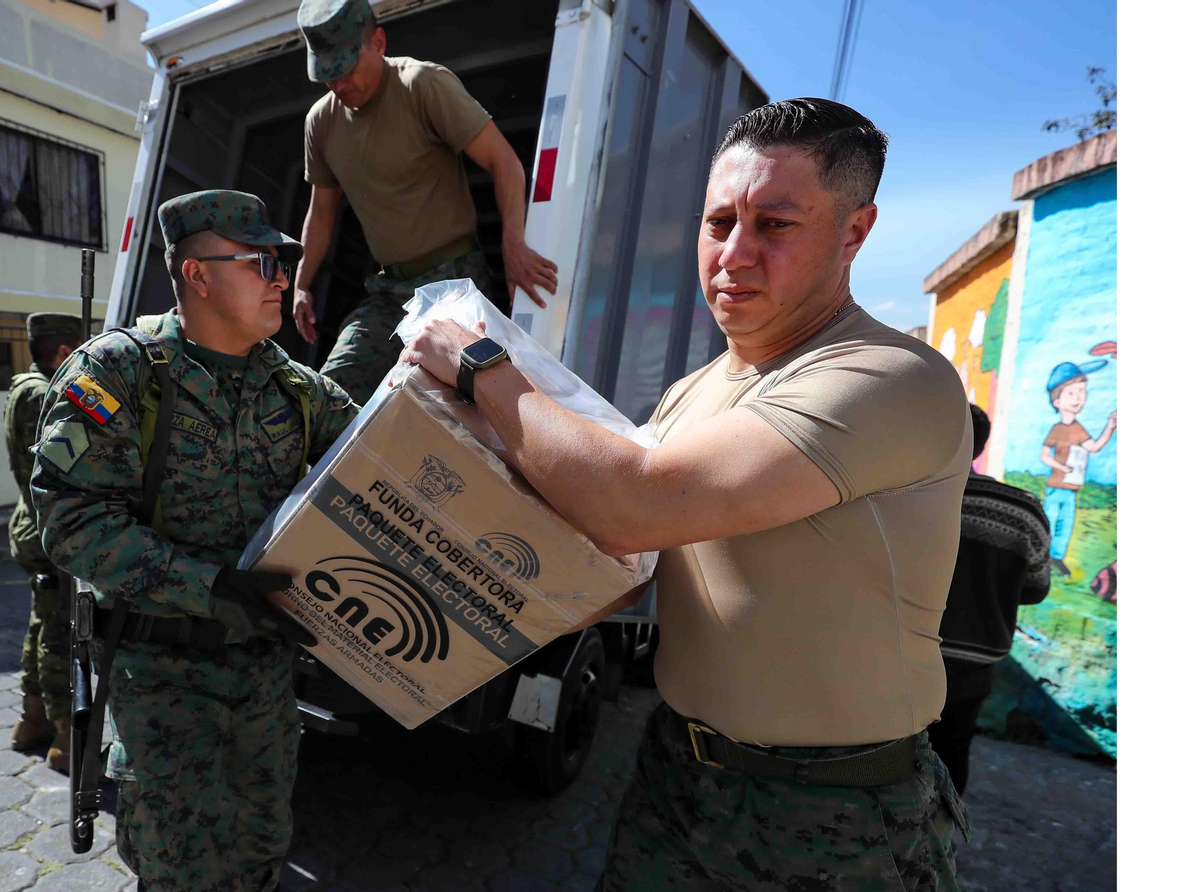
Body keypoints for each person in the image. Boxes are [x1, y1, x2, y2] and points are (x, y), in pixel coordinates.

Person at [402, 99, 972, 889]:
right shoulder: (690, 395)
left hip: (839, 818)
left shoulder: (891, 378)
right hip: (679, 778)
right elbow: (615, 555)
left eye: (775, 225)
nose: (733, 254)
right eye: (718, 222)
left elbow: (637, 502)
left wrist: (482, 368)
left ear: (854, 232)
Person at [31, 190, 358, 891]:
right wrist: (207, 587)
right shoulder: (119, 372)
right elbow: (71, 522)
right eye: (261, 261)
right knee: (182, 871)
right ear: (197, 274)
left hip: (268, 683)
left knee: (263, 852)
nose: (281, 278)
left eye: (282, 262)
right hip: (162, 687)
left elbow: (386, 459)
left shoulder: (296, 388)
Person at [291, 0, 558, 404]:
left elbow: (504, 162)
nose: (338, 83)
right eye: (327, 74)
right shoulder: (321, 122)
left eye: (345, 68)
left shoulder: (422, 84)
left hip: (453, 281)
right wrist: (301, 283)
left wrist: (513, 245)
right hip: (388, 292)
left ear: (378, 42)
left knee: (452, 406)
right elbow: (321, 213)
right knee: (327, 397)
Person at [928, 404, 1051, 795]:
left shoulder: (907, 501)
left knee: (889, 754)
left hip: (908, 653)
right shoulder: (1023, 509)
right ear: (980, 446)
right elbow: (1035, 589)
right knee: (954, 750)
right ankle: (941, 843)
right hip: (978, 660)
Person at [5, 312, 86, 773]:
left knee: (42, 620)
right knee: (61, 631)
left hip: (28, 524)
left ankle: (30, 720)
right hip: (49, 528)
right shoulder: (45, 395)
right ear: (62, 352)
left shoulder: (22, 386)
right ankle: (65, 738)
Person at [1038, 361, 1116, 576]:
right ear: (1057, 401)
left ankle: (1057, 558)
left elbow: (1094, 447)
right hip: (1055, 487)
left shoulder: (1078, 429)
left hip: (1072, 489)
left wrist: (1109, 428)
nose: (1078, 398)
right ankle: (1041, 556)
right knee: (1050, 522)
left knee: (1066, 525)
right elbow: (1044, 455)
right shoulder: (1057, 429)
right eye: (1071, 393)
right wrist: (1060, 466)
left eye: (1082, 391)